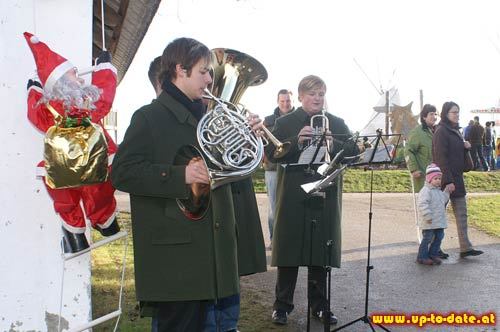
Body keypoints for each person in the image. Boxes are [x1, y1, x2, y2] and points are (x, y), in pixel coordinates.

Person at [112, 37, 262, 331]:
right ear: (180, 70)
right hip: (176, 259)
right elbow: (123, 172)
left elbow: (233, 171)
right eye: (204, 71)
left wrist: (249, 139)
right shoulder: (149, 117)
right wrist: (179, 176)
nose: (210, 78)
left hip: (216, 255)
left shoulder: (211, 115)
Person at [265, 75, 358, 326]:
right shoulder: (285, 122)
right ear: (301, 96)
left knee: (320, 252)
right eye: (312, 94)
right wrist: (296, 141)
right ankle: (281, 306)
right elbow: (270, 154)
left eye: (321, 93)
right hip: (294, 193)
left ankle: (320, 306)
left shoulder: (336, 122)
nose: (318, 98)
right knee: (289, 251)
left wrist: (333, 142)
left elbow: (354, 153)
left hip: (324, 194)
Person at [24, 32, 120, 253]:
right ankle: (106, 224)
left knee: (67, 202)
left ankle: (75, 237)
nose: (79, 77)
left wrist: (33, 90)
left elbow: (34, 115)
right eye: (74, 74)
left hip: (61, 166)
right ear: (62, 82)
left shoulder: (49, 109)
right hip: (93, 162)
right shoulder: (83, 102)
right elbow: (103, 98)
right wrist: (103, 68)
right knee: (99, 193)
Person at [432, 101, 484, 259]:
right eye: (454, 112)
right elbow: (441, 158)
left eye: (458, 112)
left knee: (462, 215)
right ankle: (434, 249)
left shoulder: (456, 131)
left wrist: (466, 148)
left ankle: (465, 247)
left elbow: (465, 163)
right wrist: (447, 181)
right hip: (446, 181)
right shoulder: (441, 131)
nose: (457, 115)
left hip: (457, 179)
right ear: (446, 113)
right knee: (439, 216)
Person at [263, 89, 294, 245]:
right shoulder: (268, 120)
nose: (285, 104)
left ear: (292, 101)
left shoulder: (298, 118)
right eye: (282, 101)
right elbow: (262, 142)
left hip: (293, 168)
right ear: (278, 102)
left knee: (293, 206)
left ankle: (290, 240)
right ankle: (274, 241)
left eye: (288, 100)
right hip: (273, 169)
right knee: (274, 207)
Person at [416, 164, 449, 265]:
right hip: (429, 221)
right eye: (435, 178)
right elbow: (422, 204)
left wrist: (447, 192)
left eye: (439, 178)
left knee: (439, 236)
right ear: (429, 179)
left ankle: (433, 254)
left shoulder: (438, 191)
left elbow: (444, 200)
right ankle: (422, 257)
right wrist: (427, 215)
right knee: (428, 238)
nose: (438, 180)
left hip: (438, 221)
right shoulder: (426, 191)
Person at [405, 104, 438, 192]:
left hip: (438, 177)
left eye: (435, 114)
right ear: (424, 117)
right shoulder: (417, 132)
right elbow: (408, 151)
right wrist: (413, 169)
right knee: (425, 204)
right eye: (431, 114)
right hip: (424, 177)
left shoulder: (438, 131)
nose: (434, 117)